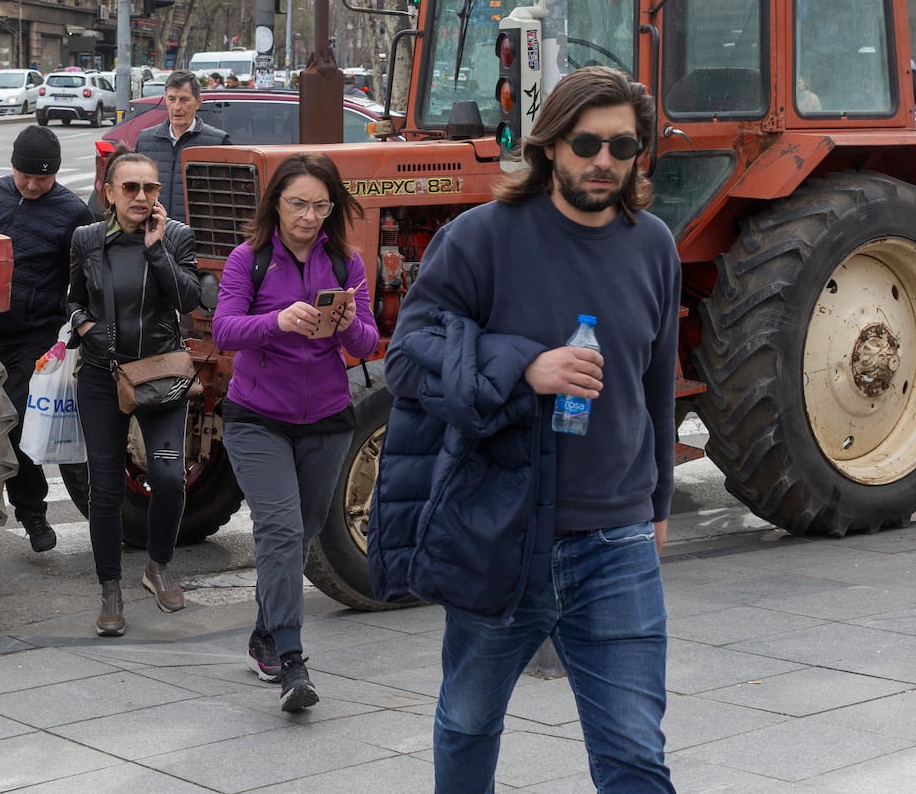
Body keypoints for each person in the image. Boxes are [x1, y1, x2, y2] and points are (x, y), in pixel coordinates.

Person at [378, 66, 679, 792]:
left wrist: (659, 503)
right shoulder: (481, 237)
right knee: (468, 722)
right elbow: (406, 359)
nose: (604, 160)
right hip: (502, 530)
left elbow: (656, 385)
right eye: (586, 143)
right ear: (551, 145)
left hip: (618, 541)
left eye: (623, 146)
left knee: (636, 754)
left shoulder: (655, 244)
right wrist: (524, 368)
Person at [211, 153, 379, 712]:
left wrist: (349, 319)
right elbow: (225, 329)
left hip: (328, 419)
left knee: (298, 535)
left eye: (320, 205)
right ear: (276, 205)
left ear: (333, 208)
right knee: (280, 531)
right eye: (297, 203)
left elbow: (365, 345)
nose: (308, 216)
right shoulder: (248, 260)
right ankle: (291, 660)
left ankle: (264, 632)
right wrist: (278, 320)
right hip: (257, 417)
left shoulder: (344, 263)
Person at [67, 146, 202, 636]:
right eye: (131, 188)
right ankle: (110, 588)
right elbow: (72, 300)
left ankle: (158, 565)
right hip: (103, 377)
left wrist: (156, 248)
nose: (142, 196)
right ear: (109, 193)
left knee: (168, 476)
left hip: (160, 375)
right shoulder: (86, 238)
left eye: (150, 188)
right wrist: (85, 327)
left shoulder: (177, 236)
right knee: (103, 489)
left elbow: (189, 299)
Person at [0, 126, 95, 552]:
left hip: (31, 336)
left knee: (11, 422)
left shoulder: (72, 213)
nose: (31, 186)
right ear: (12, 167)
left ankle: (32, 513)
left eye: (42, 179)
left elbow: (87, 280)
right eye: (24, 177)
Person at [135, 69, 230, 220]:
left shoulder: (217, 142)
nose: (177, 107)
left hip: (196, 237)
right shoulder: (145, 140)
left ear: (198, 102)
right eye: (171, 99)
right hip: (154, 234)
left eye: (184, 100)